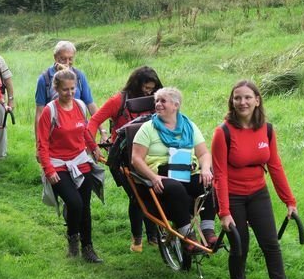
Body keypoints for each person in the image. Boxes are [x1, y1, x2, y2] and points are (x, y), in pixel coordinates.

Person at [211, 80, 297, 279]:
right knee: (240, 247)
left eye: (248, 97)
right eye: (237, 97)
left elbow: (275, 166)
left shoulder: (267, 130)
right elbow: (219, 175)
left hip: (258, 193)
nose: (242, 102)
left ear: (257, 101)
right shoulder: (223, 132)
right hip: (232, 195)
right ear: (232, 101)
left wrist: (289, 201)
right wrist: (224, 212)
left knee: (271, 244)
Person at [130, 87, 217, 252]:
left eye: (163, 101)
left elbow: (204, 153)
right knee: (175, 187)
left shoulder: (189, 126)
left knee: (210, 184)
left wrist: (205, 169)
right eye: (157, 101)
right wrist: (153, 177)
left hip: (186, 172)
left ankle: (208, 230)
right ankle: (188, 236)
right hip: (159, 176)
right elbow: (136, 159)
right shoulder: (148, 128)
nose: (158, 104)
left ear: (176, 105)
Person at [88, 66, 162, 252]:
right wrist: (92, 145)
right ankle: (137, 239)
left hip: (149, 155)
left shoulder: (156, 100)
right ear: (136, 85)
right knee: (137, 195)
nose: (149, 92)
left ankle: (154, 236)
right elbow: (94, 121)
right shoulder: (118, 101)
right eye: (146, 88)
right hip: (122, 157)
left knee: (153, 191)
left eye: (152, 88)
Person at [37, 68, 104, 263]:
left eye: (73, 88)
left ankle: (88, 249)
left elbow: (84, 131)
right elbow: (42, 143)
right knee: (75, 204)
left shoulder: (80, 106)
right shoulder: (50, 110)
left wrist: (94, 148)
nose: (70, 93)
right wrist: (48, 170)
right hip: (58, 164)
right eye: (65, 89)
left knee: (85, 208)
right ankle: (72, 238)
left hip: (80, 160)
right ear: (56, 89)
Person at [34, 41, 106, 155]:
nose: (67, 63)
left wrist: (103, 131)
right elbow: (39, 113)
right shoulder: (45, 79)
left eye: (70, 59)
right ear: (55, 57)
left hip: (79, 133)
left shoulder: (79, 76)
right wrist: (38, 145)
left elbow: (91, 105)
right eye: (63, 58)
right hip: (57, 135)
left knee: (85, 166)